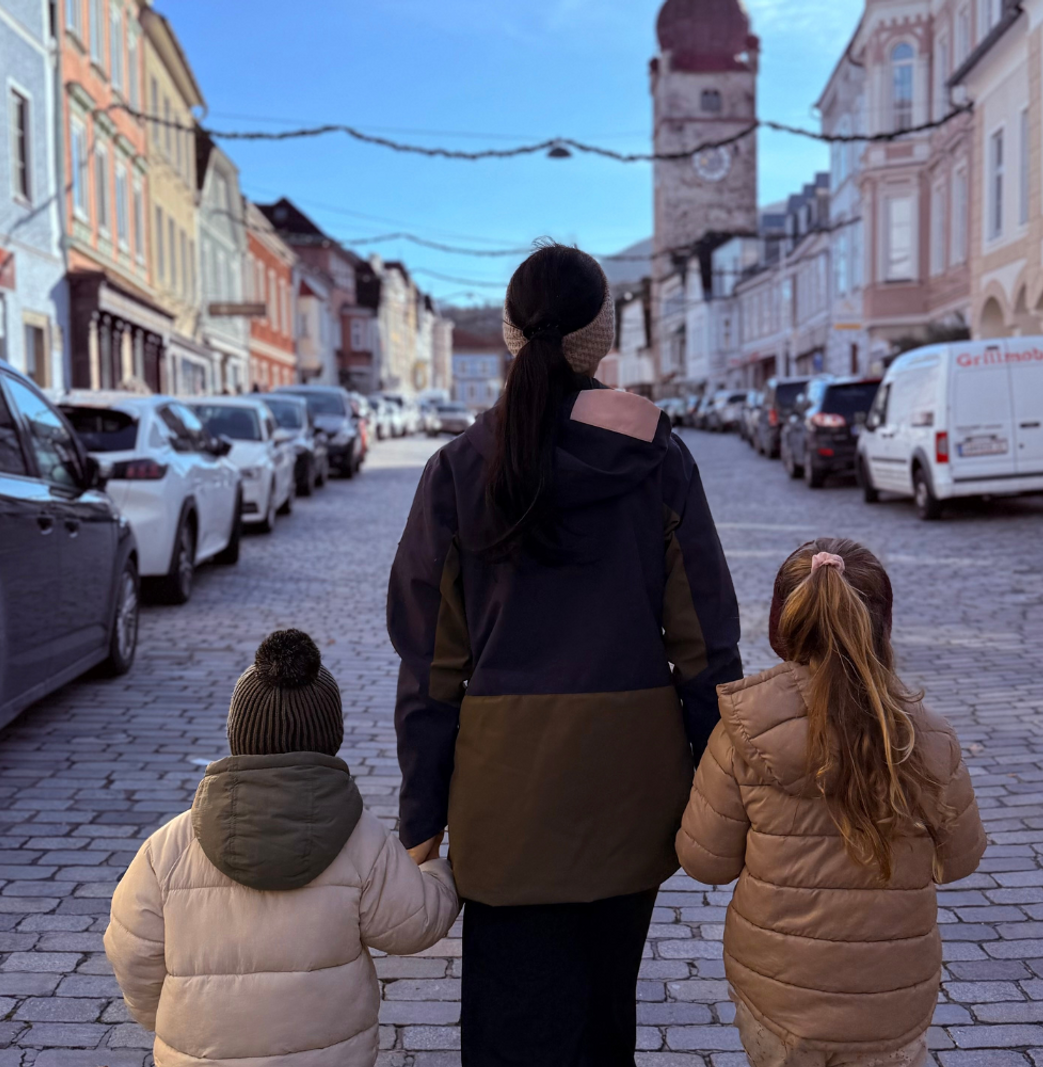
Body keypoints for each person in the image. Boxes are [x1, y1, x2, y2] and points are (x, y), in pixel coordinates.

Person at [388, 242, 743, 1066]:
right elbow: (704, 643)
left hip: (504, 795)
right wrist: (718, 779)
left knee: (511, 1023)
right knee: (602, 1015)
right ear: (600, 336)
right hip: (631, 787)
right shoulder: (658, 456)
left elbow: (430, 663)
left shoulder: (457, 469)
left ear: (512, 335)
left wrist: (421, 820)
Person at [677, 539, 987, 1067]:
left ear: (782, 627)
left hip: (779, 994)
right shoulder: (929, 738)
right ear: (883, 624)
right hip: (892, 1001)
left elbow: (705, 862)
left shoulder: (742, 731)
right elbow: (960, 861)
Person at [103, 630, 460, 1067]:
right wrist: (440, 871)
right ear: (331, 737)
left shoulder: (168, 849)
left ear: (238, 732)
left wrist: (161, 1018)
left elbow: (131, 948)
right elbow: (413, 924)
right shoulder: (361, 840)